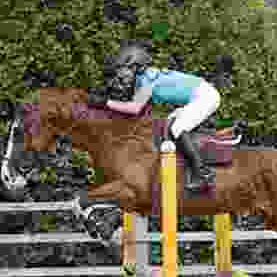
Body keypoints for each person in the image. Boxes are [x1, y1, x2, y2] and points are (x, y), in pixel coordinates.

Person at [87, 40, 219, 191]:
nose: (119, 75)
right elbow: (139, 112)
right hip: (199, 95)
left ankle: (203, 174)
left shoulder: (148, 79)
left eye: (122, 70)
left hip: (205, 96)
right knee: (169, 123)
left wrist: (105, 103)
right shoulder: (144, 79)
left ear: (135, 67)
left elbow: (134, 108)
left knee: (177, 127)